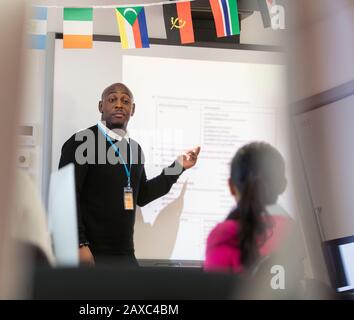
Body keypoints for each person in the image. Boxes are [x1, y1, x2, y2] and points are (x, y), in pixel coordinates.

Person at [59, 83, 200, 266]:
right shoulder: (81, 142)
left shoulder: (134, 149)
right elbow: (66, 196)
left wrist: (178, 167)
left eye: (125, 101)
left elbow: (142, 195)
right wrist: (79, 244)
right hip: (90, 253)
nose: (119, 104)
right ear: (101, 106)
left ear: (132, 110)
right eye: (112, 99)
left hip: (124, 254)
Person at [204, 142, 292, 273]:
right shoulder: (294, 233)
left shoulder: (222, 235)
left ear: (231, 186)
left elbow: (213, 291)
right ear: (283, 185)